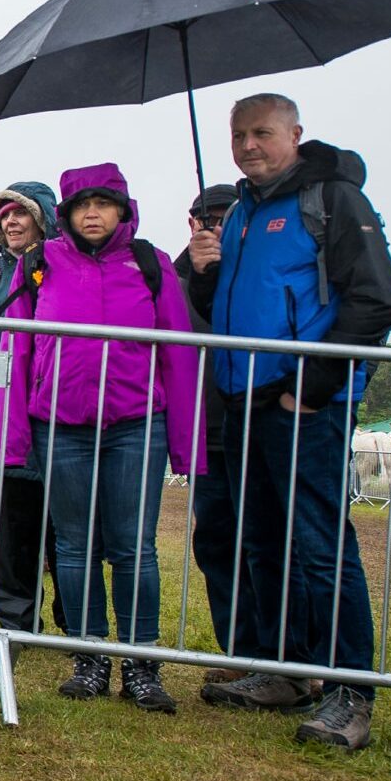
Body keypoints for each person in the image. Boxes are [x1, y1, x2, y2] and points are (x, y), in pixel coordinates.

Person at [189, 93, 391, 750]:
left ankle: (345, 691)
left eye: (261, 132)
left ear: (293, 134)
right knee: (261, 543)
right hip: (242, 404)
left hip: (303, 407)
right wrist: (205, 274)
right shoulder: (241, 214)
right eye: (237, 135)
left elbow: (375, 300)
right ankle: (279, 668)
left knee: (318, 547)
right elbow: (231, 310)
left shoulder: (331, 201)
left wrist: (308, 390)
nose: (248, 145)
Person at [0, 163, 204, 714]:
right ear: (65, 214)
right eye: (81, 204)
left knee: (133, 546)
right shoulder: (38, 265)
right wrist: (13, 436)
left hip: (137, 425)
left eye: (103, 203)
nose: (92, 213)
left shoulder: (150, 264)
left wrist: (185, 441)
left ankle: (141, 665)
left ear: (122, 209)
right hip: (59, 426)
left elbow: (179, 353)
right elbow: (15, 351)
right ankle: (87, 657)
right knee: (73, 545)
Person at [0, 182, 67, 636]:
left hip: (55, 412)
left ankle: (77, 620)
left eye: (20, 213)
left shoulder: (65, 267)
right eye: (3, 215)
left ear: (42, 217)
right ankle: (16, 623)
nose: (11, 222)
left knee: (65, 528)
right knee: (5, 525)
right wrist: (14, 331)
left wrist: (9, 330)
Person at [171, 183, 265, 686]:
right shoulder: (175, 276)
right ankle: (239, 651)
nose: (213, 228)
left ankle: (296, 655)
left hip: (260, 420)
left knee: (270, 540)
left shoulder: (259, 265)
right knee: (217, 540)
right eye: (204, 220)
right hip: (206, 429)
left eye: (223, 219)